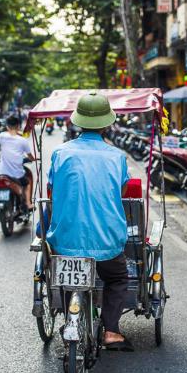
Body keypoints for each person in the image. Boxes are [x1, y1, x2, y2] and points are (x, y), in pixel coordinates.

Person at [46, 92, 133, 351]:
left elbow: (52, 191)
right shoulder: (116, 156)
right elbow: (122, 192)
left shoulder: (61, 153)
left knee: (65, 274)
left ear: (77, 122)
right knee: (117, 278)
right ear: (107, 124)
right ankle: (112, 331)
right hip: (107, 242)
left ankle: (68, 315)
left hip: (65, 240)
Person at [0, 115, 35, 210]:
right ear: (18, 126)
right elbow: (30, 156)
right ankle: (28, 203)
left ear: (7, 126)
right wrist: (33, 159)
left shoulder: (1, 136)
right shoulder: (22, 141)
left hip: (2, 173)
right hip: (17, 174)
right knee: (26, 184)